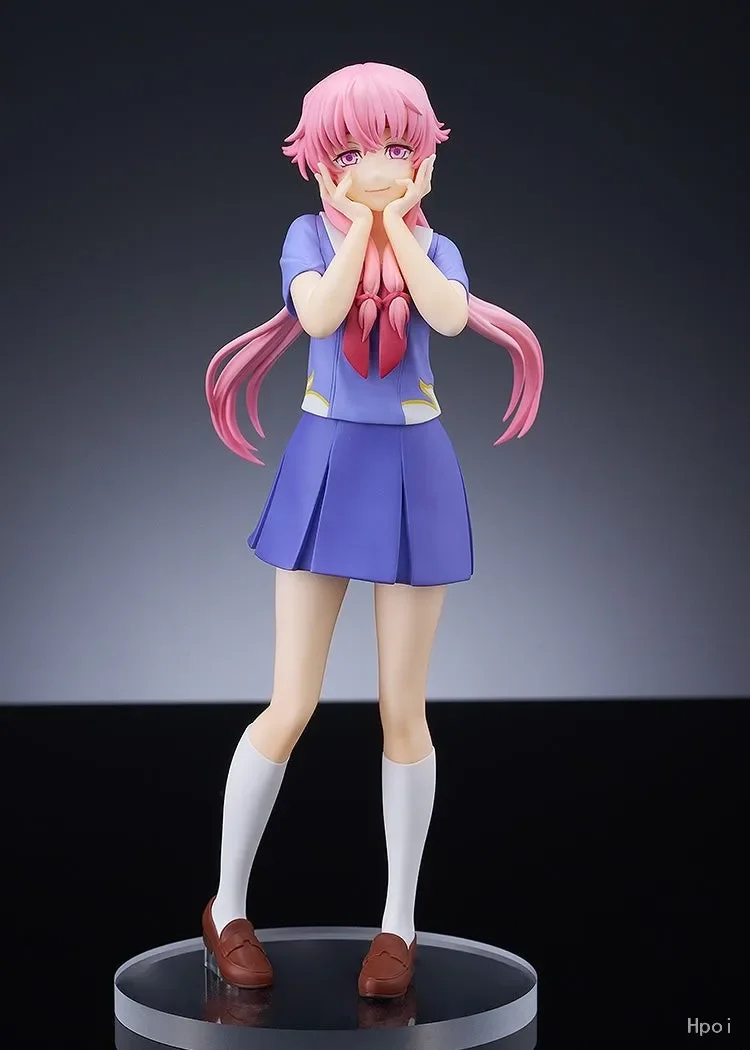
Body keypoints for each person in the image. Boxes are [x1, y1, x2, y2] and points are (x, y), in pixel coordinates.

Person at [202, 61, 544, 1000]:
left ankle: (399, 924)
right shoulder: (307, 237)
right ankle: (226, 905)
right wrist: (358, 224)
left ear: (425, 153)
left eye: (396, 145)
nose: (378, 166)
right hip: (326, 463)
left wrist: (398, 225)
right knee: (291, 703)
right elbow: (318, 313)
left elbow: (447, 316)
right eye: (352, 151)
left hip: (413, 467)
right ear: (321, 162)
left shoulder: (438, 248)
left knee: (404, 711)